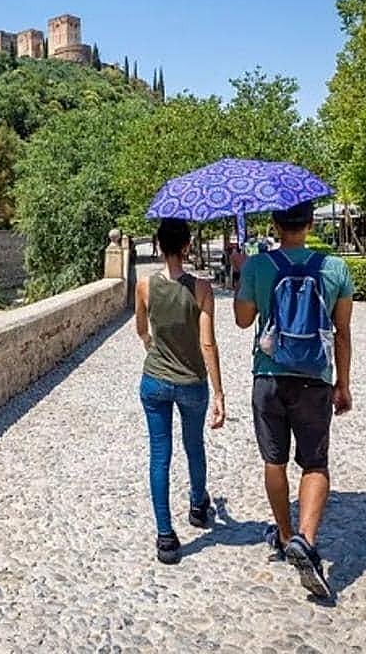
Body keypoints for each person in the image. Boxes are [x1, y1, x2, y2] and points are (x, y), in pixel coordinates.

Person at [234, 201, 354, 599]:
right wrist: (343, 383)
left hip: (268, 376)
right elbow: (342, 333)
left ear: (275, 224)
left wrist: (243, 271)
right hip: (314, 379)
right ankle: (307, 538)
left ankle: (286, 536)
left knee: (274, 460)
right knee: (315, 463)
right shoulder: (334, 268)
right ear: (310, 223)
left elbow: (242, 319)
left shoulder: (259, 265)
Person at [135, 218, 226, 565]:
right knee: (194, 446)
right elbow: (207, 344)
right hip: (192, 384)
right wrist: (219, 393)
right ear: (187, 246)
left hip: (154, 381)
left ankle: (165, 537)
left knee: (160, 456)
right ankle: (198, 506)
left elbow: (142, 331)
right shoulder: (201, 289)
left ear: (158, 246)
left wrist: (154, 351)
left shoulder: (144, 286)